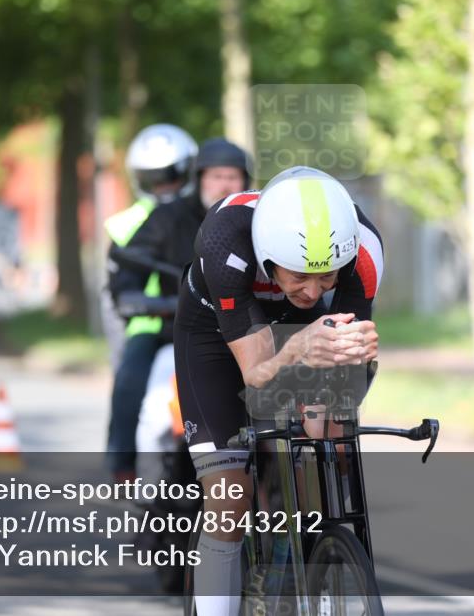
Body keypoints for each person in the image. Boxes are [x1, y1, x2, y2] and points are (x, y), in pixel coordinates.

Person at [173, 166, 384, 616]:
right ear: (269, 256)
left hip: (304, 334)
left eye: (328, 277)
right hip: (215, 335)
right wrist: (301, 347)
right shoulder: (224, 241)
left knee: (326, 437)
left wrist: (329, 393)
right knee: (230, 495)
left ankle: (304, 563)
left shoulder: (363, 252)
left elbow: (343, 359)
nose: (313, 290)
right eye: (300, 277)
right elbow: (256, 375)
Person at [105, 135, 251, 482]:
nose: (223, 184)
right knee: (137, 389)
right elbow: (128, 269)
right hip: (176, 331)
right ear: (198, 178)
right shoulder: (168, 217)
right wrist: (150, 302)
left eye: (232, 177)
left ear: (245, 181)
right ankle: (134, 480)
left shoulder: (258, 219)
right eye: (215, 176)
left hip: (246, 331)